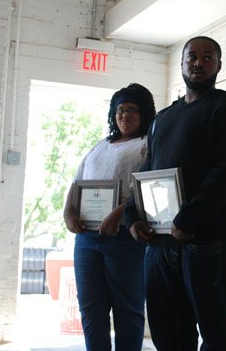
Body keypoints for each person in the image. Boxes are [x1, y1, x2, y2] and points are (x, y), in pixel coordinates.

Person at [124, 36, 226, 351]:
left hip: (207, 241)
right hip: (160, 242)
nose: (198, 62)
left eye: (207, 57)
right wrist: (132, 215)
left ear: (219, 65)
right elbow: (148, 171)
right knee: (168, 333)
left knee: (215, 331)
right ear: (182, 63)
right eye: (191, 56)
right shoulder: (163, 118)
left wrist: (189, 218)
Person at [63, 83, 156, 351]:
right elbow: (78, 180)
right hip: (86, 238)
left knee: (127, 311)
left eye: (132, 110)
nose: (125, 115)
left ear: (144, 113)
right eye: (120, 110)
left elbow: (148, 185)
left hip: (124, 239)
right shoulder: (100, 145)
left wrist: (121, 213)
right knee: (92, 311)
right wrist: (68, 211)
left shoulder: (148, 143)